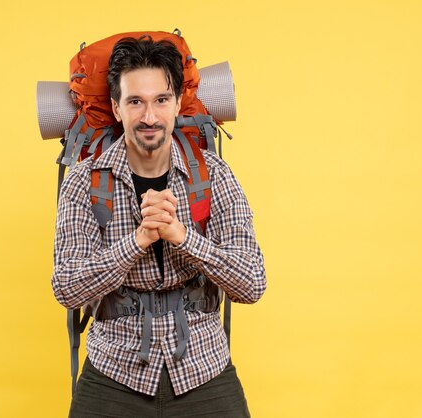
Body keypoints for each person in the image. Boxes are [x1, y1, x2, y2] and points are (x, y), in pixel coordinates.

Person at [51, 36, 266, 417]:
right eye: (135, 101)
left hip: (204, 369)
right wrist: (138, 240)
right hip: (113, 372)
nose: (149, 116)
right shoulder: (84, 182)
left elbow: (252, 283)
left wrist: (183, 237)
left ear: (178, 103)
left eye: (161, 100)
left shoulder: (213, 176)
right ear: (117, 107)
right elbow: (66, 286)